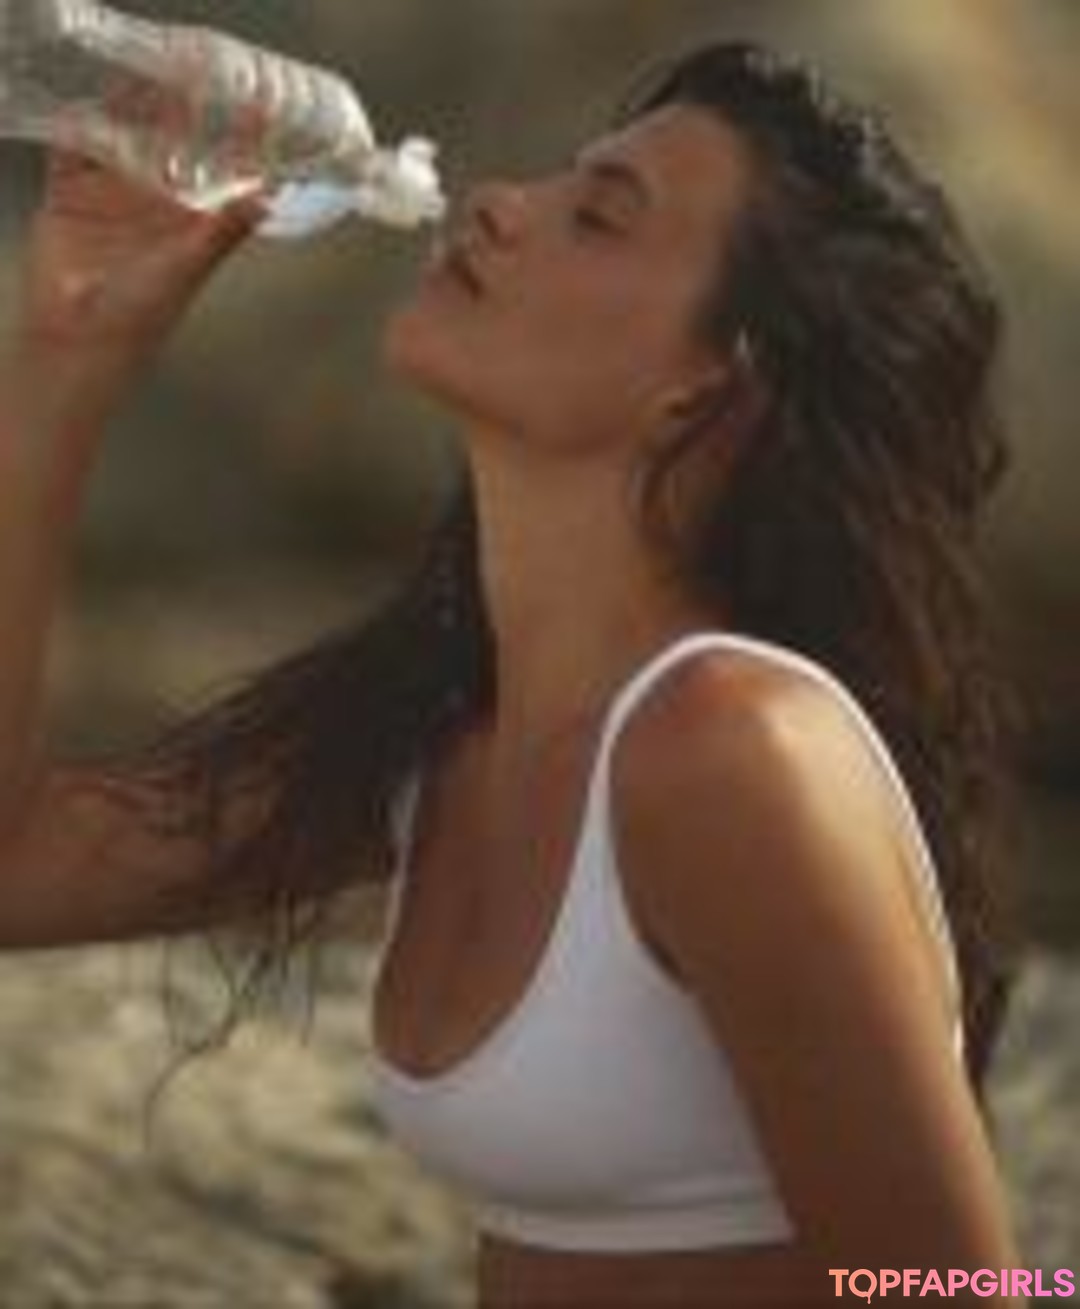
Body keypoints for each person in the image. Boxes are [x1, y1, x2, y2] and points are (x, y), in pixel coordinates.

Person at [0, 37, 1026, 1309]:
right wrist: (71, 344)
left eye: (598, 216)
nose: (495, 202)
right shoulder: (446, 729)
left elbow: (954, 1290)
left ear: (708, 388)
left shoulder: (728, 748)